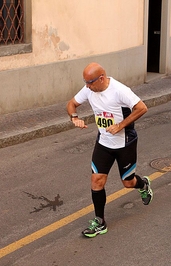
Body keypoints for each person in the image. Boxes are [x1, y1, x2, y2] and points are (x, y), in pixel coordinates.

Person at [66, 62, 153, 238]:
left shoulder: (120, 90)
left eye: (90, 82)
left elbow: (142, 108)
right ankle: (100, 221)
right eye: (85, 82)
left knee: (128, 182)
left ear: (101, 78)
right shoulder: (89, 90)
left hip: (125, 143)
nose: (87, 86)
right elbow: (71, 104)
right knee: (97, 181)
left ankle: (143, 185)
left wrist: (121, 125)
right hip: (104, 143)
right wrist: (74, 118)